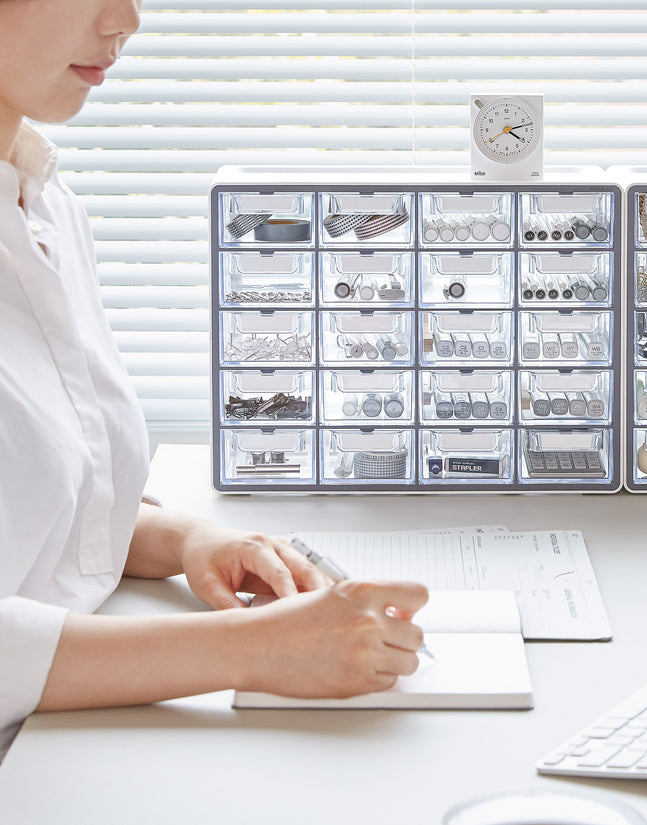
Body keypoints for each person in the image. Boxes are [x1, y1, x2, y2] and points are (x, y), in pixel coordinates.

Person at [0, 0, 429, 760]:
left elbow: (41, 504)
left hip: (65, 737)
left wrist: (191, 538)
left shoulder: (41, 202)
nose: (126, 19)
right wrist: (249, 647)